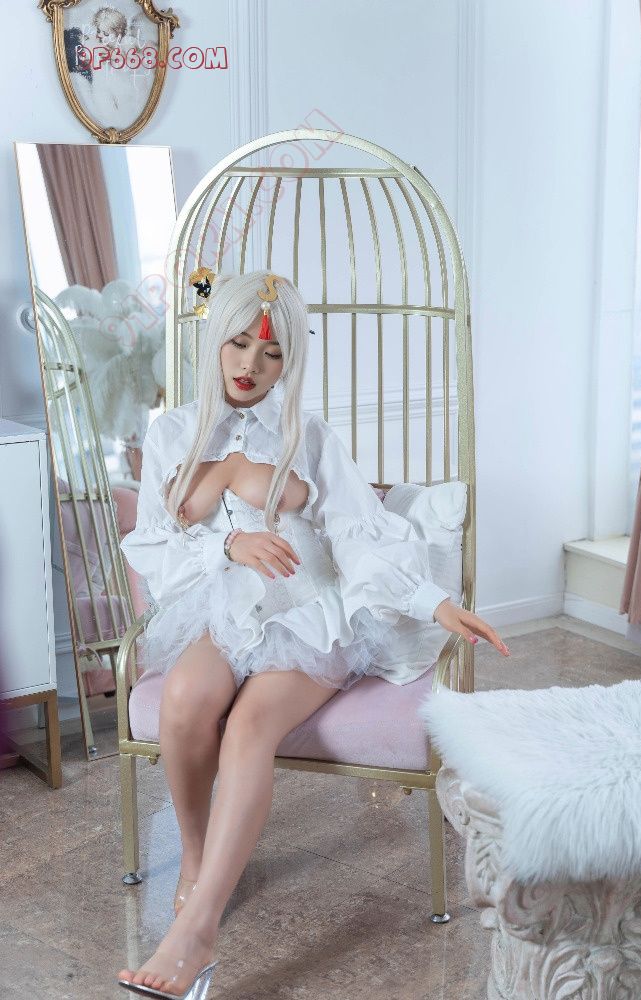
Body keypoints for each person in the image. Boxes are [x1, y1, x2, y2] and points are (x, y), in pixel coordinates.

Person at [117, 270, 510, 998]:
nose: (251, 365)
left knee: (249, 727)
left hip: (309, 615)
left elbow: (360, 535)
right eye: (238, 344)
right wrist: (227, 543)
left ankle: (198, 931)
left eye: (272, 354)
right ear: (215, 340)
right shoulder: (173, 432)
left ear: (290, 361)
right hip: (223, 609)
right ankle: (198, 863)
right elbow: (153, 544)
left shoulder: (311, 436)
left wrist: (432, 602)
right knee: (184, 698)